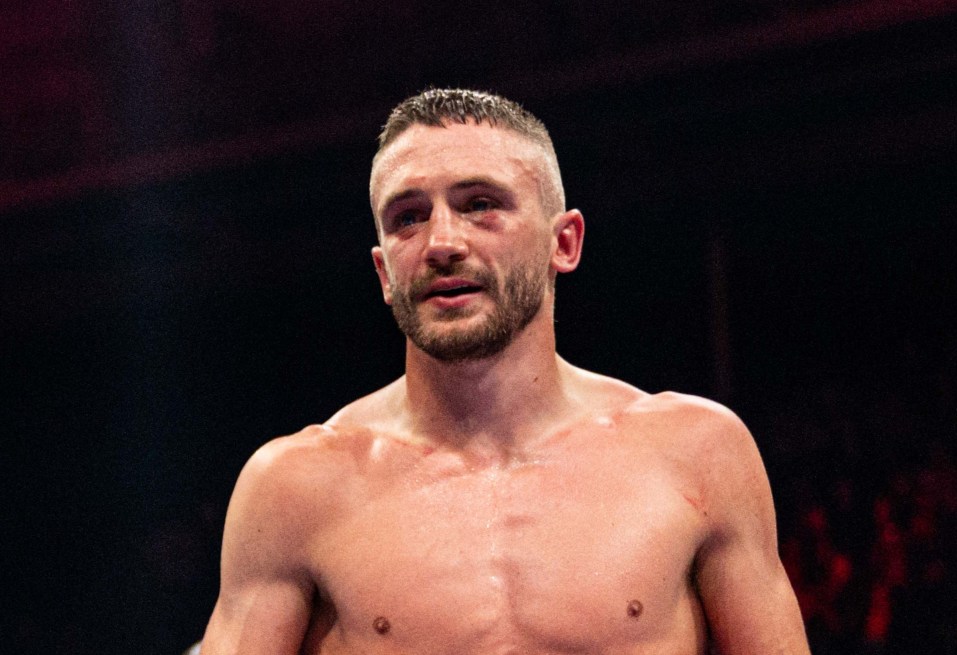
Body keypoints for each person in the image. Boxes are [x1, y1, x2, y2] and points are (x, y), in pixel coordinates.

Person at [201, 88, 811, 654]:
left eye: (480, 205)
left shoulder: (697, 454)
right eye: (408, 216)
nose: (441, 241)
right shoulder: (295, 488)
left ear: (564, 243)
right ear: (385, 273)